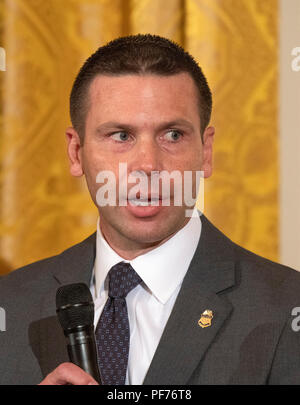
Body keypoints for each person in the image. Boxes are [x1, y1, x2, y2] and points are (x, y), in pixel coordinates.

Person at [0, 34, 300, 385]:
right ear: (76, 152)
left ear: (205, 152)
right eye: (121, 136)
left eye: (172, 135)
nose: (147, 164)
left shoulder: (285, 307)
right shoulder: (10, 305)